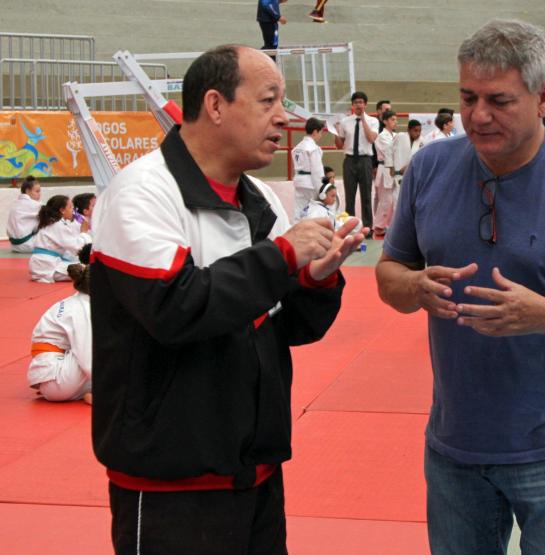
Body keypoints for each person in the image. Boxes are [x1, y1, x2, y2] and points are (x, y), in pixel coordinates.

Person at [90, 45, 367, 554]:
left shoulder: (258, 200)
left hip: (255, 471)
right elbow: (174, 309)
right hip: (171, 483)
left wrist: (316, 281)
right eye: (268, 100)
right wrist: (281, 258)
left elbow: (290, 328)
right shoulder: (142, 193)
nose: (284, 117)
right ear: (215, 106)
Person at [376, 19, 545, 555]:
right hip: (453, 447)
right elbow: (388, 275)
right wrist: (415, 288)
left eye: (498, 100)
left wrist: (541, 314)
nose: (477, 115)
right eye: (467, 97)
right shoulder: (428, 169)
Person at [28, 258, 92, 403]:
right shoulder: (83, 309)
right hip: (59, 378)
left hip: (53, 376)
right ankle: (100, 392)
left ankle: (88, 390)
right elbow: (87, 356)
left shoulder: (77, 302)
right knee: (104, 343)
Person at [335, 91, 378, 232]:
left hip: (365, 160)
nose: (359, 105)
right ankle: (350, 228)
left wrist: (362, 119)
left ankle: (367, 228)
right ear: (352, 105)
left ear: (365, 104)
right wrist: (335, 131)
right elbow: (339, 145)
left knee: (366, 196)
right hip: (349, 160)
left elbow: (371, 139)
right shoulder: (345, 122)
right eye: (356, 102)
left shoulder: (373, 121)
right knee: (349, 196)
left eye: (361, 102)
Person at [29, 195, 91, 283]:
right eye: (70, 207)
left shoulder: (54, 222)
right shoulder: (57, 225)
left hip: (44, 263)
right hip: (46, 265)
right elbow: (78, 248)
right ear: (62, 210)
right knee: (87, 271)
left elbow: (71, 245)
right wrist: (84, 232)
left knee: (85, 266)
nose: (73, 211)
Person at [292, 116, 326, 219]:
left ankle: (296, 230)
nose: (321, 136)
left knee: (299, 210)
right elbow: (317, 171)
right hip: (310, 183)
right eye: (321, 132)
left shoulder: (297, 147)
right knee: (313, 210)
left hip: (299, 181)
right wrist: (321, 190)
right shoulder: (313, 148)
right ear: (315, 131)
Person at [372, 110, 397, 236]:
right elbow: (390, 151)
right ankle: (378, 226)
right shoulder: (382, 136)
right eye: (392, 119)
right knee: (385, 200)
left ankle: (389, 225)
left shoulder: (395, 135)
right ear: (385, 121)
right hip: (384, 169)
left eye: (395, 119)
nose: (395, 122)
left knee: (393, 200)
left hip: (393, 170)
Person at [6, 175, 42, 253]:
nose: (39, 194)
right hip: (28, 245)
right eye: (37, 191)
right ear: (28, 191)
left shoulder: (15, 203)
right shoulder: (35, 205)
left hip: (14, 246)